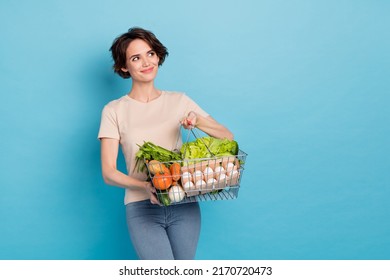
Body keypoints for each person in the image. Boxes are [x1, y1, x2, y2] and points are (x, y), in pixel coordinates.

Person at [98, 27, 233, 260]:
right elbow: (109, 173)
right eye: (135, 58)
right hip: (142, 207)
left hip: (184, 203)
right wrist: (145, 187)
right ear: (124, 67)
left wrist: (198, 120)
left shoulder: (179, 100)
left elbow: (226, 136)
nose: (146, 62)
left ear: (158, 56)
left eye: (150, 54)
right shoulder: (114, 110)